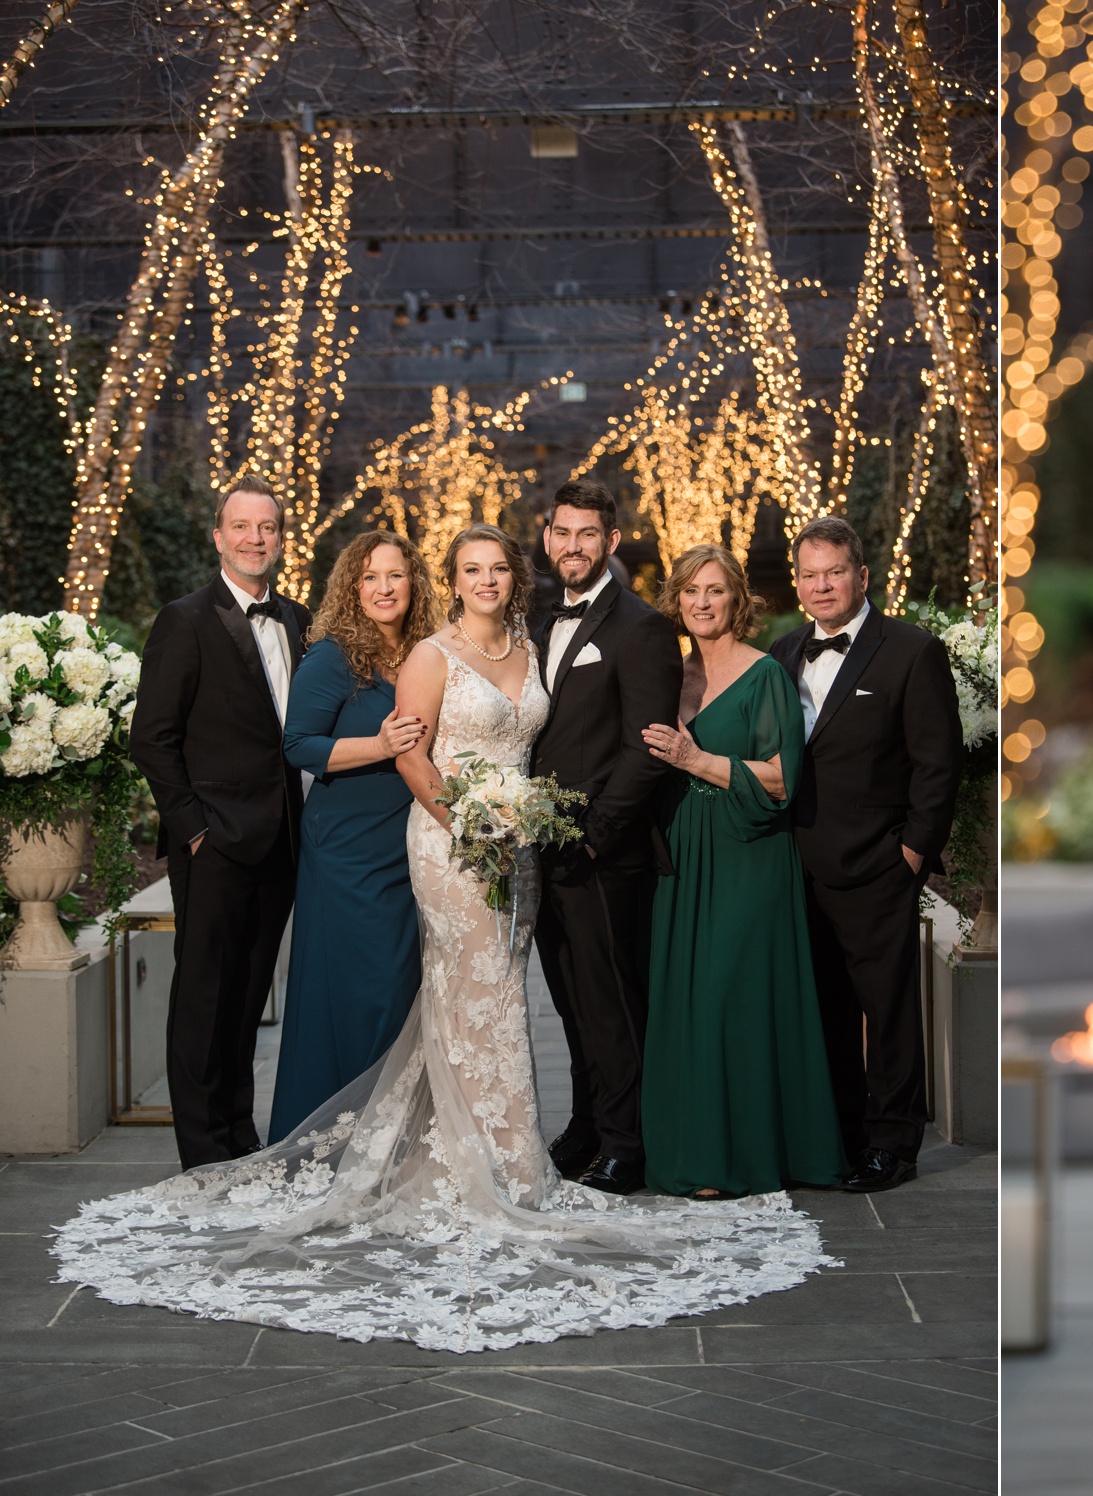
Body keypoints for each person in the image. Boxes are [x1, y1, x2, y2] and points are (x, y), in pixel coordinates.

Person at [52, 523, 831, 1353]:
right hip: (454, 843)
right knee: (478, 982)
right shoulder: (429, 653)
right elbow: (413, 760)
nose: (487, 580)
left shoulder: (530, 649)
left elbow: (539, 746)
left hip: (519, 844)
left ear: (509, 579)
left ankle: (503, 1149)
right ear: (452, 580)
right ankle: (479, 1168)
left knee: (494, 995)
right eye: (472, 569)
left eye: (498, 568)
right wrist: (469, 824)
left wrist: (519, 823)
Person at [638, 545, 847, 1197]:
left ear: (739, 601)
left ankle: (747, 1155)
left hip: (748, 851)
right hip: (682, 852)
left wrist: (697, 761)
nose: (702, 602)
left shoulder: (766, 677)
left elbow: (784, 779)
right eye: (691, 592)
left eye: (716, 591)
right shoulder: (670, 675)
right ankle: (698, 1155)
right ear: (677, 601)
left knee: (733, 998)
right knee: (691, 1001)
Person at [770, 517, 963, 1193]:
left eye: (833, 572)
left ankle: (894, 1144)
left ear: (862, 576)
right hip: (798, 865)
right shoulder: (784, 650)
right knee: (823, 1011)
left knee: (887, 1014)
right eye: (810, 574)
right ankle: (844, 1137)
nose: (822, 586)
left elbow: (937, 767)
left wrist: (911, 853)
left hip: (879, 866)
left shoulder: (911, 651)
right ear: (798, 583)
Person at [130, 478, 312, 1170]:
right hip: (214, 846)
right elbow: (152, 737)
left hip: (282, 843)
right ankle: (203, 1150)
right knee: (205, 997)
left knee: (246, 998)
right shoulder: (185, 619)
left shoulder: (295, 620)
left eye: (266, 527)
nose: (254, 539)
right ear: (218, 536)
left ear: (279, 538)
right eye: (241, 526)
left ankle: (239, 1133)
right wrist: (193, 830)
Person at [528, 478, 681, 1195]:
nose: (573, 546)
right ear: (547, 535)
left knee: (614, 1003)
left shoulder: (642, 627)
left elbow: (645, 745)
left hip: (604, 855)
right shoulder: (528, 616)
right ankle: (586, 1126)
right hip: (535, 850)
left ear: (611, 542)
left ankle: (630, 1143)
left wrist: (593, 837)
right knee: (567, 999)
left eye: (588, 534)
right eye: (563, 532)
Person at [267, 531, 435, 1140]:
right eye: (370, 577)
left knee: (405, 992)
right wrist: (381, 745)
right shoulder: (334, 656)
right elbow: (298, 745)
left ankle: (399, 1137)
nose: (384, 588)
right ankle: (341, 1134)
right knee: (366, 991)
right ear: (352, 588)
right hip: (348, 853)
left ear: (414, 582)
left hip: (411, 845)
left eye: (395, 575)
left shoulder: (428, 651)